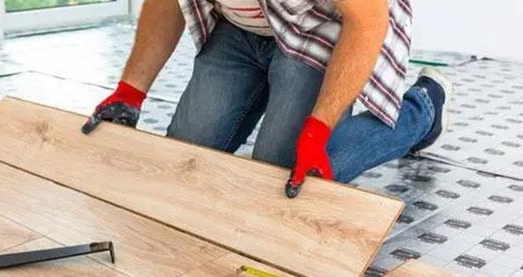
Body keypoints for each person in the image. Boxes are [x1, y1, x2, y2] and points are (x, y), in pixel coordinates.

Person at [83, 0, 451, 198]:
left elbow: (368, 21)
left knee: (284, 179)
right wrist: (130, 92)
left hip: (319, 26)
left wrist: (317, 130)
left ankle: (423, 109)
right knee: (182, 157)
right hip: (241, 27)